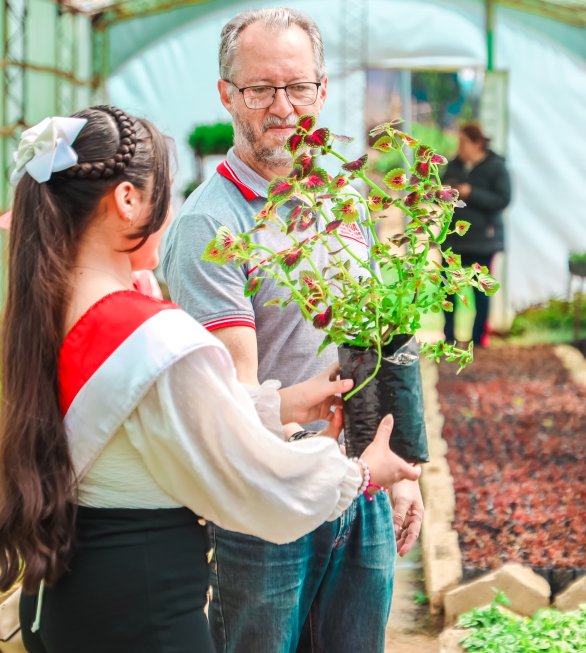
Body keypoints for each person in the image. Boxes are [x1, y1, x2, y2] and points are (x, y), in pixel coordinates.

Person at [0, 105, 419, 653]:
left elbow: (151, 425)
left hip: (67, 596)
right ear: (127, 201)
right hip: (144, 611)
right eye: (165, 194)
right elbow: (251, 480)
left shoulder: (50, 314)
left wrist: (276, 406)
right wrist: (360, 472)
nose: (171, 215)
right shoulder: (149, 335)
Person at [160, 8, 426, 652]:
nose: (282, 106)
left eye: (297, 86)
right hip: (266, 503)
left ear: (322, 90)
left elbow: (375, 338)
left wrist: (399, 469)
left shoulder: (343, 196)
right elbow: (237, 400)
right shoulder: (211, 226)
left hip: (356, 486)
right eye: (260, 89)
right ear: (227, 95)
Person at [442, 122, 512, 347]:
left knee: (480, 291)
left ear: (477, 143)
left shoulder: (496, 167)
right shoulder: (454, 166)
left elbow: (503, 199)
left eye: (463, 142)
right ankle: (449, 336)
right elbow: (440, 190)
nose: (459, 147)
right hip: (454, 241)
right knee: (447, 288)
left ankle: (479, 337)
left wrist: (472, 193)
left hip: (483, 241)